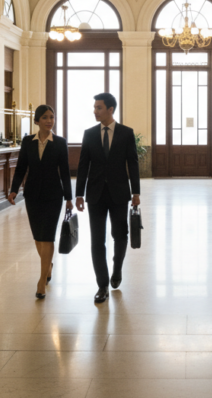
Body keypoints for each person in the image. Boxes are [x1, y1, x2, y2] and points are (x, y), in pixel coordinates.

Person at [75, 93, 141, 304]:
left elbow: (133, 164)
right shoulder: (89, 134)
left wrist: (136, 192)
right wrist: (79, 193)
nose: (95, 111)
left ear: (111, 109)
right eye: (94, 107)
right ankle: (102, 284)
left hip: (119, 193)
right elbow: (84, 165)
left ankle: (117, 268)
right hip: (95, 194)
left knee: (120, 235)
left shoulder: (126, 133)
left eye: (99, 107)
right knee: (97, 240)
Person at [7, 105, 73, 300]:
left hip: (54, 195)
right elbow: (21, 168)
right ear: (37, 121)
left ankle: (42, 279)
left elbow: (65, 172)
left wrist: (69, 198)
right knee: (38, 236)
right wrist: (13, 189)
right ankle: (48, 265)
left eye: (52, 117)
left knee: (48, 236)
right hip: (33, 194)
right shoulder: (28, 141)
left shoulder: (60, 143)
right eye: (45, 117)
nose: (49, 121)